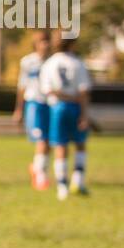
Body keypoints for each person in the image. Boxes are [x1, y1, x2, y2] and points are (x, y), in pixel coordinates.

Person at [39, 32, 91, 200]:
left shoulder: (49, 64)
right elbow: (83, 92)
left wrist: (63, 96)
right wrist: (83, 113)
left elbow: (47, 90)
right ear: (73, 44)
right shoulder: (78, 63)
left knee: (60, 146)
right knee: (80, 144)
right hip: (75, 107)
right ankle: (78, 182)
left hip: (57, 108)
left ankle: (62, 188)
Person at [13, 30, 52, 191]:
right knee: (41, 139)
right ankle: (40, 175)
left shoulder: (53, 62)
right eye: (42, 41)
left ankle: (38, 169)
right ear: (36, 44)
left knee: (49, 140)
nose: (46, 44)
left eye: (47, 41)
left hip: (51, 103)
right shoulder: (28, 62)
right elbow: (22, 87)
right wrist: (19, 109)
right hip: (35, 103)